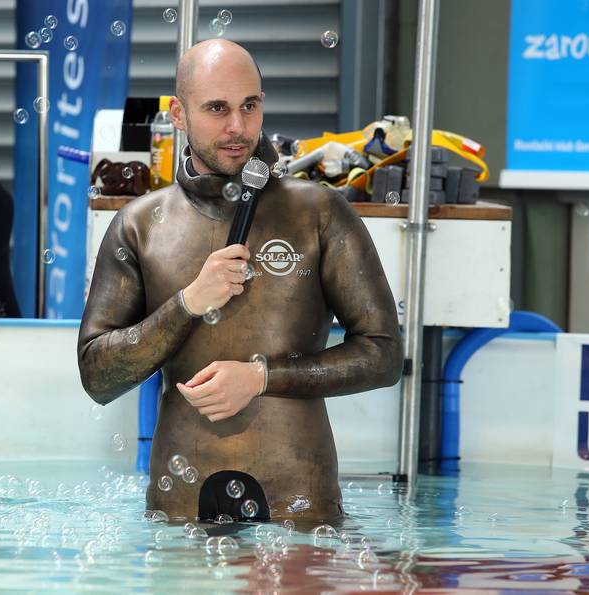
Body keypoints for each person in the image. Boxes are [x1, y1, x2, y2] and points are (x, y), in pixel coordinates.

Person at [78, 40, 402, 521]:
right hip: (180, 509)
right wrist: (186, 304)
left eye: (250, 106)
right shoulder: (140, 224)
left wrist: (261, 377)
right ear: (179, 114)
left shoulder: (319, 212)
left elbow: (384, 354)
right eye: (217, 109)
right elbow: (97, 376)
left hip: (300, 505)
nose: (238, 127)